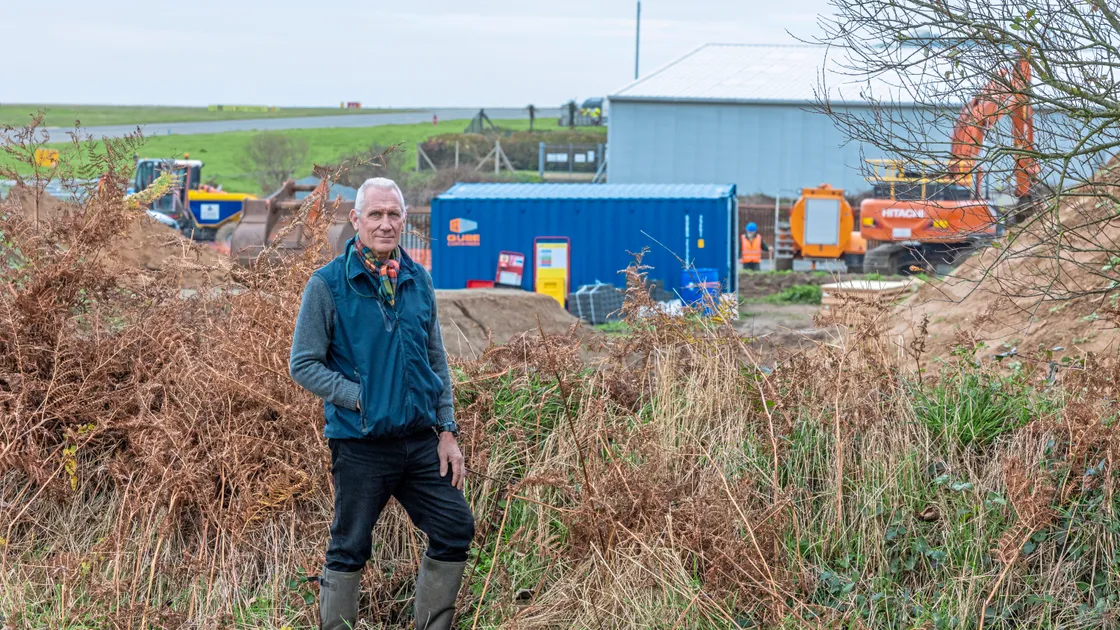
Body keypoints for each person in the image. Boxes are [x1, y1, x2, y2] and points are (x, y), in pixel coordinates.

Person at [289, 177, 474, 630]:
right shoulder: (328, 285)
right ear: (356, 220)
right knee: (349, 546)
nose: (386, 224)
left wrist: (447, 430)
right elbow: (303, 363)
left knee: (455, 528)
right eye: (376, 214)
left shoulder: (417, 279)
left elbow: (437, 361)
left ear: (403, 219)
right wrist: (360, 399)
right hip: (360, 444)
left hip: (418, 442)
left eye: (394, 214)